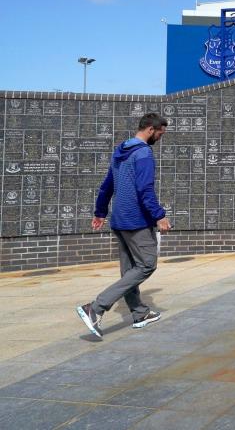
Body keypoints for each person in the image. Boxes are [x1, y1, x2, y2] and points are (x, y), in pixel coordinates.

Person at [76, 113, 170, 338]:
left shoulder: (120, 152)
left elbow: (106, 186)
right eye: (159, 133)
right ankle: (95, 308)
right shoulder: (144, 153)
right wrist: (159, 215)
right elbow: (144, 189)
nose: (160, 137)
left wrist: (100, 212)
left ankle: (139, 313)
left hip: (119, 220)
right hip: (136, 221)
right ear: (150, 129)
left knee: (129, 271)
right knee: (147, 265)